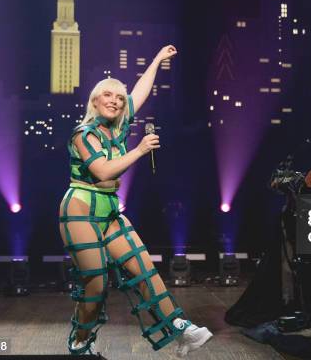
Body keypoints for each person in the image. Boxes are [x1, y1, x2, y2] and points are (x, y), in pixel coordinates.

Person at [58, 45, 212, 356]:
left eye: (119, 97)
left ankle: (181, 328)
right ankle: (80, 342)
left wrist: (156, 60)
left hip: (110, 210)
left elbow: (139, 92)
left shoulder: (119, 126)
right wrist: (139, 150)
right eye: (108, 96)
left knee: (143, 268)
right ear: (94, 102)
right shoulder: (84, 134)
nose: (115, 101)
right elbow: (101, 171)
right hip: (80, 211)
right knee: (96, 287)